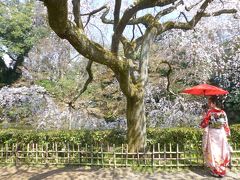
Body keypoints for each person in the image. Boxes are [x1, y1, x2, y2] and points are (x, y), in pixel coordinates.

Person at [200, 96, 231, 177]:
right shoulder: (223, 112)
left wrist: (204, 117)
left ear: (213, 103)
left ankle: (216, 171)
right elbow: (226, 124)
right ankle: (222, 170)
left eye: (210, 103)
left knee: (213, 152)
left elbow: (203, 125)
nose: (209, 104)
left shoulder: (210, 113)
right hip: (221, 134)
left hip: (213, 134)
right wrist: (227, 133)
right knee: (221, 151)